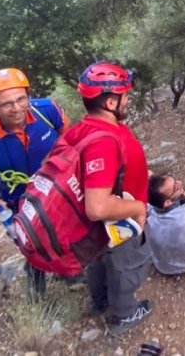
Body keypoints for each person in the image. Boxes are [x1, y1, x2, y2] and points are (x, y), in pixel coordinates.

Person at [63, 61, 153, 336]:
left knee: (98, 260)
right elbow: (98, 206)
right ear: (111, 102)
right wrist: (138, 207)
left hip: (92, 228)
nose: (129, 100)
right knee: (126, 266)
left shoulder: (81, 130)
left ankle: (100, 300)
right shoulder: (103, 141)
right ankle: (124, 314)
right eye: (126, 96)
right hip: (118, 220)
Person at [0, 67, 68, 294]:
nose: (16, 108)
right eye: (6, 104)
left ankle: (68, 271)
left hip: (53, 187)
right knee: (26, 240)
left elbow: (68, 135)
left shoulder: (47, 110)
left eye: (21, 99)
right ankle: (36, 279)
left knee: (63, 229)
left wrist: (58, 154)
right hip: (13, 196)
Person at [146, 173, 185, 275]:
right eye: (176, 187)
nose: (179, 183)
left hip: (164, 267)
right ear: (167, 202)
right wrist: (183, 192)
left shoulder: (145, 218)